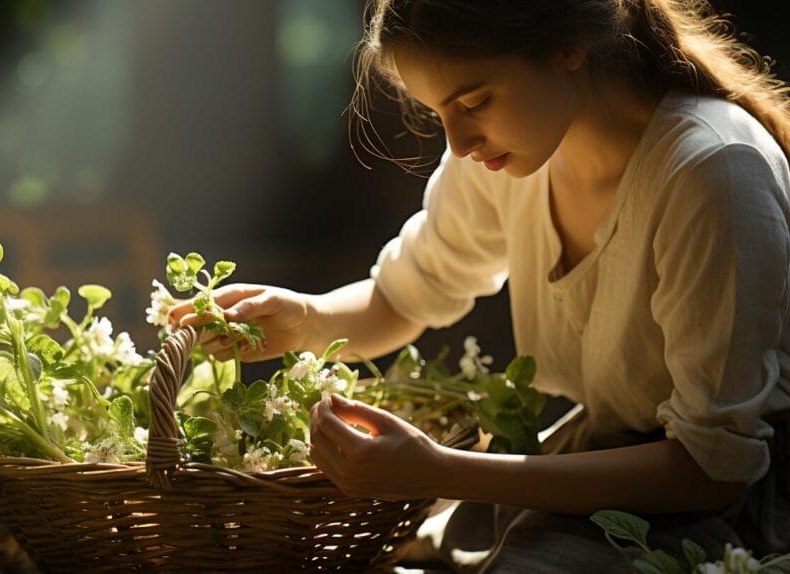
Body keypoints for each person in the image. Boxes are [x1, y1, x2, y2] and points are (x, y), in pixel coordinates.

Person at [170, 0, 790, 570]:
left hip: (724, 511)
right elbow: (401, 297)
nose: (459, 143)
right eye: (437, 113)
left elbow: (712, 468)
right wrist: (306, 320)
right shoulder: (514, 155)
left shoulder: (712, 172)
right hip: (594, 466)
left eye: (473, 103)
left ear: (568, 46)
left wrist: (439, 471)